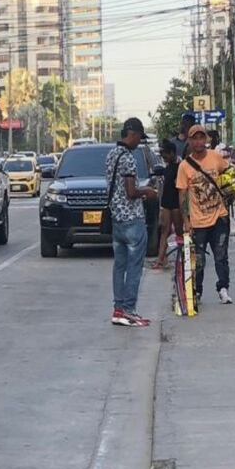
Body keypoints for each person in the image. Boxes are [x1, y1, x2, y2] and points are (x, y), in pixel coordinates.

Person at [107, 118, 160, 327]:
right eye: (139, 137)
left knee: (119, 266)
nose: (139, 142)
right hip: (132, 220)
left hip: (116, 219)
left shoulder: (111, 155)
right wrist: (147, 192)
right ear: (133, 134)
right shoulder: (128, 158)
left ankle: (118, 309)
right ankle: (129, 310)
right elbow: (131, 191)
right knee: (135, 266)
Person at [175, 126, 232, 305]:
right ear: (190, 142)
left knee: (221, 255)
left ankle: (223, 288)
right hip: (198, 222)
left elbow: (229, 175)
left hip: (219, 217)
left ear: (206, 139)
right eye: (195, 139)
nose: (199, 142)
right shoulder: (184, 166)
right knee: (198, 260)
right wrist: (186, 221)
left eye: (201, 138)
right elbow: (182, 195)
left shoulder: (216, 157)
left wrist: (230, 192)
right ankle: (197, 291)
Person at [154, 137, 183, 271]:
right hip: (166, 203)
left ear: (172, 153)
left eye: (165, 154)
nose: (163, 157)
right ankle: (160, 259)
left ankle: (184, 258)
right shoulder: (169, 166)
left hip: (176, 204)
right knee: (164, 230)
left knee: (179, 232)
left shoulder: (180, 167)